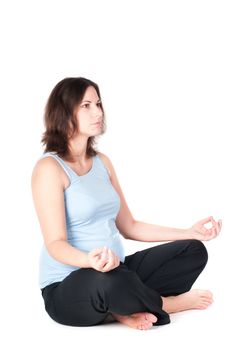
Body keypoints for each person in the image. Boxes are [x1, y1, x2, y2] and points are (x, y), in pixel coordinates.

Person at [31, 77, 222, 331]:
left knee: (192, 251)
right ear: (63, 112)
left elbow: (130, 226)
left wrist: (189, 232)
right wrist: (91, 261)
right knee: (109, 283)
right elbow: (55, 244)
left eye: (98, 103)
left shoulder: (102, 163)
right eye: (86, 105)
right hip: (68, 286)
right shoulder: (49, 168)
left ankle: (119, 309)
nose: (98, 112)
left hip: (117, 271)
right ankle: (166, 304)